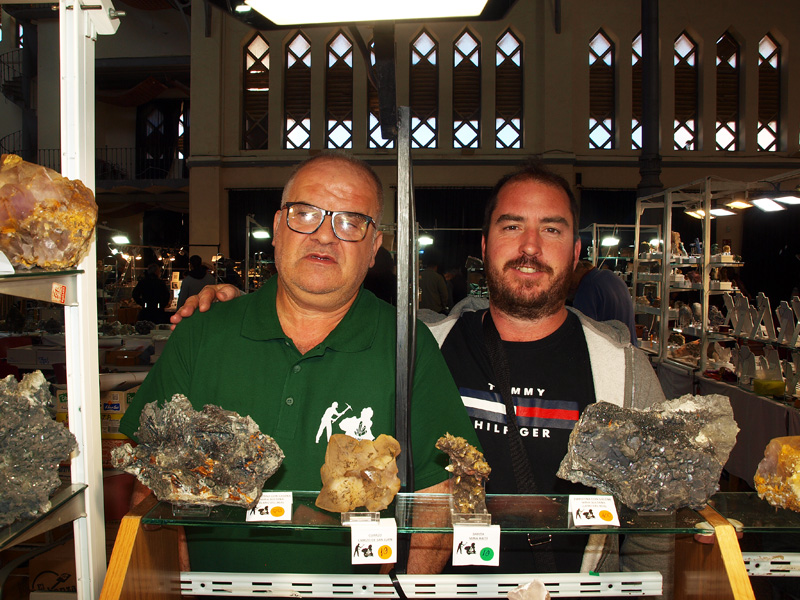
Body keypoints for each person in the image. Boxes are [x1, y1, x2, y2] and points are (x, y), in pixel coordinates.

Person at [176, 162, 672, 593]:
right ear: (484, 243)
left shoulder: (622, 370)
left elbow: (655, 528)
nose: (529, 247)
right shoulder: (422, 345)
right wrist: (233, 305)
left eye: (553, 229)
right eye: (511, 226)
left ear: (577, 249)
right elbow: (322, 316)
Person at [120, 153, 479, 575]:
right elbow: (150, 481)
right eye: (305, 214)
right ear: (276, 228)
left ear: (374, 248)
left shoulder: (408, 347)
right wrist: (177, 587)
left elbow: (441, 499)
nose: (325, 236)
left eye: (349, 221)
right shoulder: (202, 335)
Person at [569, 259, 639, 346]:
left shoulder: (586, 288)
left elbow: (583, 333)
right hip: (630, 350)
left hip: (612, 353)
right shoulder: (610, 276)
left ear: (573, 273)